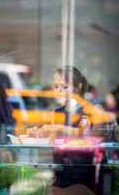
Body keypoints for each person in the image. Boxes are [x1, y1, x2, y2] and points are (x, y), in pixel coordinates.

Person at [26, 65, 107, 195]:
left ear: (78, 87)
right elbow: (51, 157)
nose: (59, 90)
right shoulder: (57, 113)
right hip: (66, 174)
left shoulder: (95, 110)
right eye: (56, 86)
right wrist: (38, 138)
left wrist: (62, 128)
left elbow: (92, 144)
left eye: (64, 87)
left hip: (91, 175)